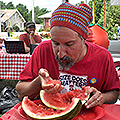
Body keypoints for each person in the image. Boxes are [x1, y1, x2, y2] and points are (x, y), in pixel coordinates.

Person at [16, 2, 120, 109]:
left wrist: (101, 97)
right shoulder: (42, 50)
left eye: (69, 44)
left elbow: (114, 94)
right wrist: (39, 82)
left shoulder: (103, 56)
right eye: (55, 43)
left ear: (84, 39)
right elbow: (20, 92)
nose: (60, 54)